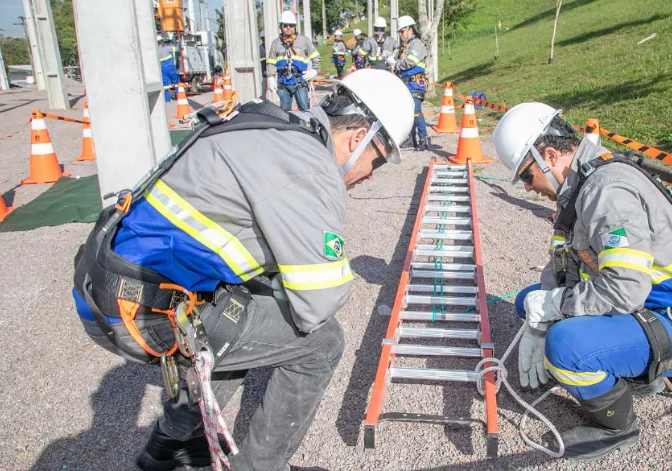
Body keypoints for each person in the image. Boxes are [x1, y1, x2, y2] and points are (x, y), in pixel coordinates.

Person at [71, 69, 415, 471]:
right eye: (377, 160)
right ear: (358, 138)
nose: (371, 174)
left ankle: (172, 445)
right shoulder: (310, 166)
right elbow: (318, 303)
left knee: (243, 317)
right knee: (321, 342)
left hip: (111, 287)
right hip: (143, 311)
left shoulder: (270, 125)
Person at [491, 103, 672, 460]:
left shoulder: (607, 193)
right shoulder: (581, 184)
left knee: (565, 344)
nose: (528, 188)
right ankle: (613, 363)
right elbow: (565, 264)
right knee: (529, 300)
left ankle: (617, 426)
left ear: (550, 156)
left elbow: (625, 289)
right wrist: (542, 305)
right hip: (649, 306)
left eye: (526, 176)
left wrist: (555, 310)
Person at [266, 10, 321, 111]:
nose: (288, 28)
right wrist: (270, 78)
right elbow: (271, 62)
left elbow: (316, 57)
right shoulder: (276, 43)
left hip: (300, 82)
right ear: (281, 26)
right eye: (285, 25)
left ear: (295, 26)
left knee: (305, 111)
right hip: (283, 84)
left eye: (291, 25)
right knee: (285, 114)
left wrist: (314, 71)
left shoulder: (304, 41)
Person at [387, 15, 428, 151]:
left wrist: (396, 63)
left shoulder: (417, 44)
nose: (400, 35)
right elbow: (398, 59)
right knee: (408, 112)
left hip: (416, 83)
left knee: (416, 111)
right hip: (405, 84)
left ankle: (423, 139)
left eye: (402, 31)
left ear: (410, 29)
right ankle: (411, 139)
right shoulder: (404, 46)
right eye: (399, 32)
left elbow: (410, 62)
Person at [157, 35, 179, 102]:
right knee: (176, 82)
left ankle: (167, 99)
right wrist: (178, 42)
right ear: (161, 42)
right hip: (170, 67)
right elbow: (176, 49)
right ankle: (178, 96)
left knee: (166, 85)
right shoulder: (166, 48)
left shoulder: (155, 50)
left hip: (162, 68)